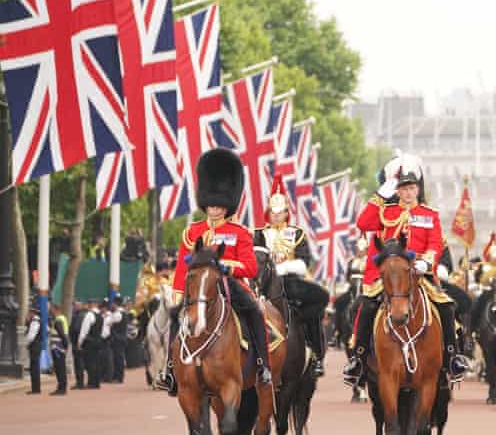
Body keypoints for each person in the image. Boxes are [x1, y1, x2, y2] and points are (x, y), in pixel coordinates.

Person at [343, 153, 471, 387]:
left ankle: (452, 358)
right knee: (367, 305)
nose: (409, 193)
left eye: (412, 188)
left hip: (420, 274)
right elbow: (363, 223)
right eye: (403, 188)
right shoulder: (386, 212)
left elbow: (435, 243)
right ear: (398, 191)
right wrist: (380, 195)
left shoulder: (429, 215)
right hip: (392, 275)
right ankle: (358, 359)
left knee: (445, 306)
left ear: (418, 189)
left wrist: (426, 263)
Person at [161, 148, 272, 396]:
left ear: (227, 206)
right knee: (174, 316)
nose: (214, 210)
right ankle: (170, 369)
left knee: (255, 312)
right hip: (197, 286)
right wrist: (178, 293)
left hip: (229, 283)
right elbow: (182, 267)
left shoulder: (240, 233)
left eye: (219, 206)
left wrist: (228, 267)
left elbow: (251, 267)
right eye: (211, 205)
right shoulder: (192, 232)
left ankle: (263, 365)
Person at [255, 174, 329, 378]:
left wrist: (283, 268)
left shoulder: (297, 233)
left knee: (321, 297)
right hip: (265, 283)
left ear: (287, 213)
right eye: (273, 212)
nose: (276, 216)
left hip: (290, 282)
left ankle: (316, 353)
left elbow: (304, 263)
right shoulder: (259, 234)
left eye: (280, 212)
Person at [78, 300, 103, 389]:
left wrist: (80, 342)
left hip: (90, 342)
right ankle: (96, 382)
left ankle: (91, 382)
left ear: (90, 305)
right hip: (98, 341)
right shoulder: (100, 315)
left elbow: (84, 330)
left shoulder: (89, 315)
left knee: (90, 362)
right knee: (97, 362)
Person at [49, 305, 69, 395]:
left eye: (52, 310)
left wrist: (64, 345)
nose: (51, 311)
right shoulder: (63, 318)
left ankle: (61, 388)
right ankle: (62, 387)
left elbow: (61, 334)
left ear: (56, 310)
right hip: (60, 347)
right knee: (61, 368)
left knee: (59, 368)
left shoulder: (58, 320)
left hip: (57, 347)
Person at [25, 302, 43, 395]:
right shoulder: (36, 320)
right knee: (34, 367)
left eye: (30, 312)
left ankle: (36, 389)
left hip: (34, 345)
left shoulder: (35, 321)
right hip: (36, 345)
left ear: (33, 312)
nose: (29, 313)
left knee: (34, 368)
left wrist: (26, 344)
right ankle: (35, 388)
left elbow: (31, 336)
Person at [109, 296, 128, 383]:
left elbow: (109, 323)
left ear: (116, 304)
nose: (112, 305)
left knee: (118, 359)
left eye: (113, 303)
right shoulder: (122, 312)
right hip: (120, 339)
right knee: (117, 359)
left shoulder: (118, 314)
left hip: (118, 339)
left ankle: (118, 377)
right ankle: (117, 377)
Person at [68, 302, 86, 389]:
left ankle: (80, 382)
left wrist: (72, 337)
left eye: (75, 306)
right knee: (78, 362)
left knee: (78, 363)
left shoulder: (79, 316)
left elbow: (76, 328)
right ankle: (79, 381)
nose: (74, 307)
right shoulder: (78, 315)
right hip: (77, 341)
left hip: (77, 342)